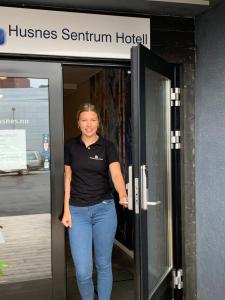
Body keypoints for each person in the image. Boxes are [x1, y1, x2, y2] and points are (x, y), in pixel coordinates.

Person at [62, 103, 128, 300]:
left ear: (98, 122)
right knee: (82, 270)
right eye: (84, 120)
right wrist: (66, 210)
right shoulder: (70, 146)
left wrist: (122, 194)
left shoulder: (107, 146)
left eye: (92, 120)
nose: (88, 124)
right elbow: (68, 179)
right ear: (78, 122)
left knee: (103, 264)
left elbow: (116, 174)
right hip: (77, 212)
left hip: (104, 210)